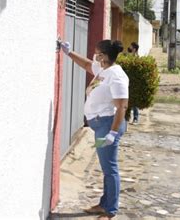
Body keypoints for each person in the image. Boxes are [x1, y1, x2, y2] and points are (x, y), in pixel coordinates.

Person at [60, 39, 129, 220]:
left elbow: (122, 107)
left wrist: (113, 133)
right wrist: (68, 52)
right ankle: (104, 204)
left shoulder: (117, 76)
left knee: (110, 168)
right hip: (101, 126)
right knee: (106, 167)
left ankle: (110, 211)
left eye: (97, 53)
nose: (94, 55)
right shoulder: (103, 70)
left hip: (108, 126)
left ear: (104, 56)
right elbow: (86, 64)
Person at [127, 42, 140, 124]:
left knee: (134, 103)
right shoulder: (129, 57)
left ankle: (135, 118)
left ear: (134, 49)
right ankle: (127, 118)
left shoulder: (136, 58)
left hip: (134, 83)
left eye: (131, 47)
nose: (129, 48)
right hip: (128, 82)